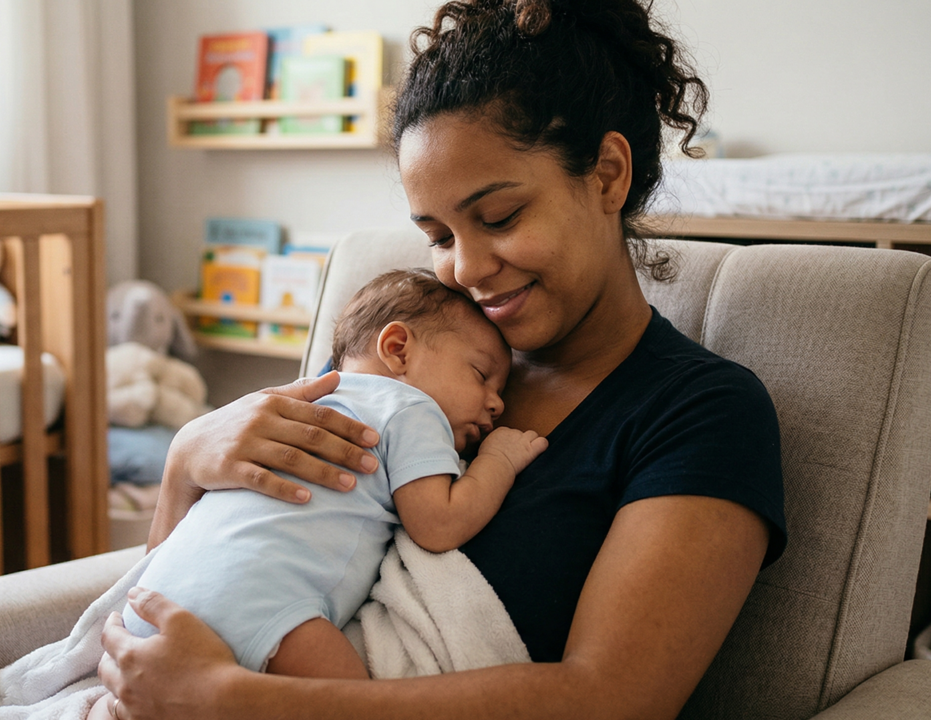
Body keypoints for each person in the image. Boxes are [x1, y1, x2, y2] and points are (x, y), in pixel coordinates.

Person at [98, 0, 788, 718]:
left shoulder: (702, 413)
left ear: (609, 175)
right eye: (436, 234)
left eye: (498, 218)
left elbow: (613, 698)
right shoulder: (421, 361)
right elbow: (196, 580)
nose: (464, 269)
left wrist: (230, 698)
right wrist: (184, 463)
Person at [98, 269, 544, 704]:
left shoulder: (296, 402)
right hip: (265, 604)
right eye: (481, 374)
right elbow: (438, 524)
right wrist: (498, 461)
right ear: (398, 350)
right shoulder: (410, 406)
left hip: (160, 601)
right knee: (351, 701)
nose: (497, 403)